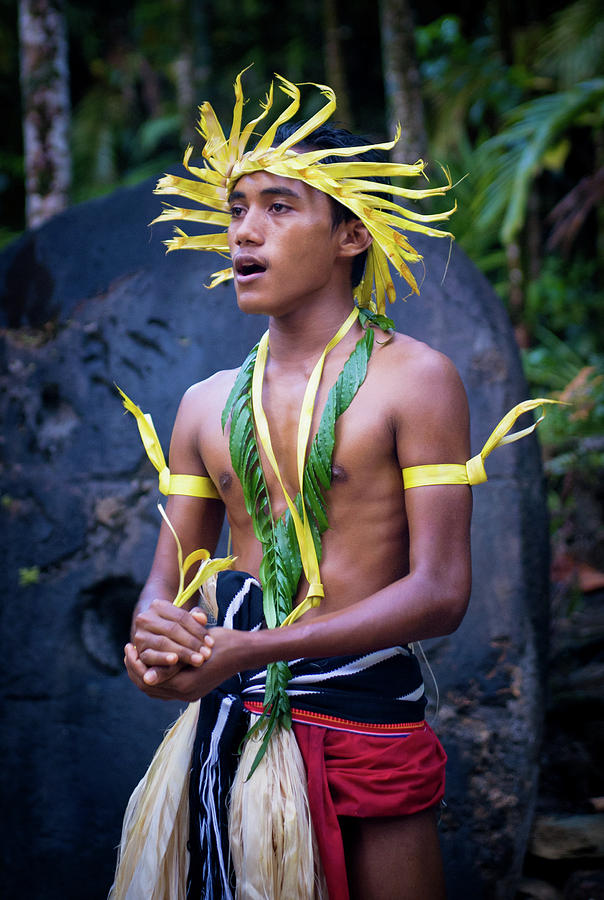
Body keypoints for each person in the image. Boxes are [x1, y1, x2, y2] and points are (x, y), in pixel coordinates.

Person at [116, 72, 549, 900]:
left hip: (364, 720)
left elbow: (441, 592)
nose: (246, 230)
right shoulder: (204, 405)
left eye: (279, 207)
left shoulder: (415, 381)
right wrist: (154, 648)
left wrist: (251, 649)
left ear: (351, 235)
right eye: (237, 208)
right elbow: (161, 591)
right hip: (229, 722)